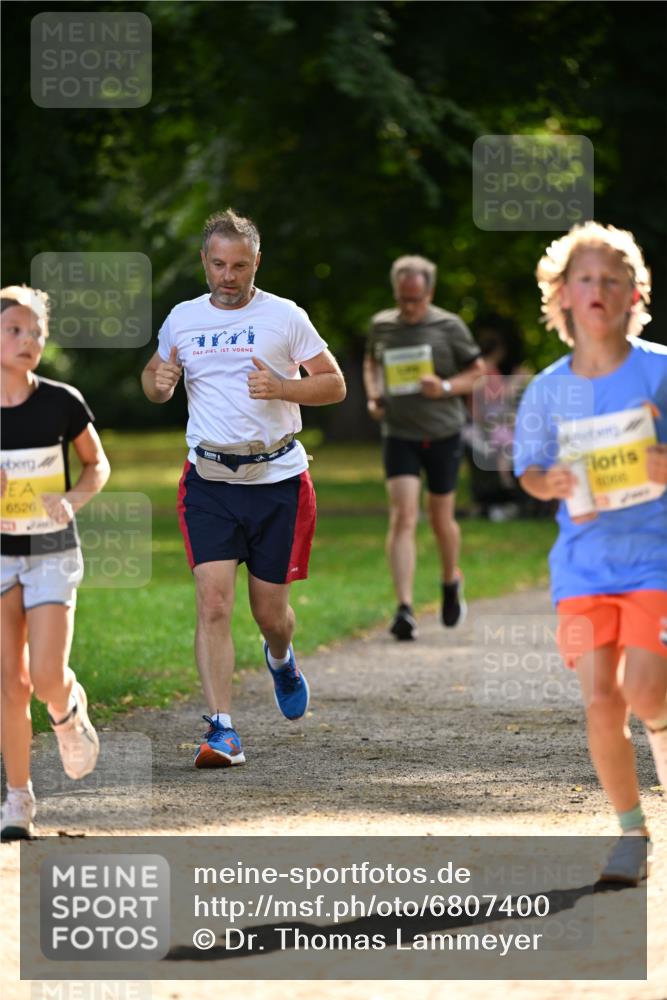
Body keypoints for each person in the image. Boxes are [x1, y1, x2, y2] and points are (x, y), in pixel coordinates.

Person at [141, 209, 346, 769]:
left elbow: (334, 384)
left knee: (269, 612)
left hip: (278, 481)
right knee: (212, 602)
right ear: (204, 263)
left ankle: (281, 658)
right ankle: (222, 730)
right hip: (208, 480)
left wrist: (282, 387)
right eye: (218, 265)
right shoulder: (183, 319)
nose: (228, 276)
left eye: (240, 265)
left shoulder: (285, 316)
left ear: (257, 262)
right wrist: (158, 385)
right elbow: (156, 377)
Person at [513, 222, 667, 884]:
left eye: (612, 278)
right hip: (580, 569)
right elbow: (528, 466)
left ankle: (660, 728)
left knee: (644, 691)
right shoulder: (546, 388)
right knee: (601, 701)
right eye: (585, 278)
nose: (598, 288)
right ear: (562, 294)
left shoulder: (659, 369)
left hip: (655, 560)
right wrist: (544, 481)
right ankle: (629, 833)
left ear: (634, 291)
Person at [1, 285, 110, 841]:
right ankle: (17, 800)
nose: (28, 341)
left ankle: (67, 711)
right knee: (8, 684)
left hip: (49, 548)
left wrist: (73, 499)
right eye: (15, 330)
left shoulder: (60, 401)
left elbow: (97, 465)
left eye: (36, 332)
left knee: (43, 677)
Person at [363, 255, 485, 640]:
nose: (408, 308)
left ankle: (450, 581)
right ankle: (405, 608)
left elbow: (478, 374)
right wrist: (374, 395)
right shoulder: (382, 325)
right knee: (402, 516)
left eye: (415, 300)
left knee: (439, 519)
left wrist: (445, 387)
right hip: (399, 433)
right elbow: (371, 363)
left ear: (429, 293)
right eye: (402, 299)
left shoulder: (449, 326)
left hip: (443, 433)